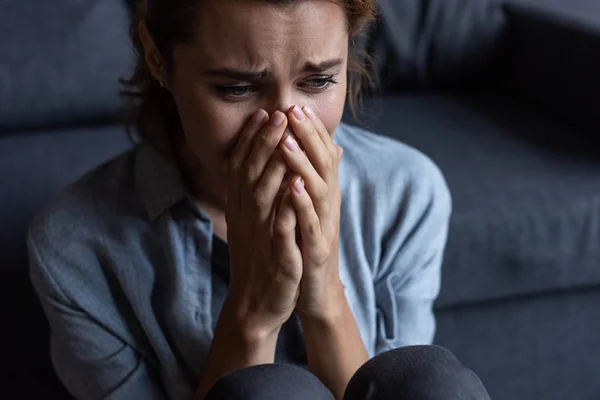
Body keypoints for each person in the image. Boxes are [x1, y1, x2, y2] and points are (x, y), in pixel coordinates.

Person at [27, 0, 491, 399]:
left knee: (429, 378)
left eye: (319, 81)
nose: (284, 124)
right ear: (157, 58)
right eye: (237, 88)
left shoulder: (406, 192)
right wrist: (252, 310)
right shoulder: (74, 247)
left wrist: (323, 293)